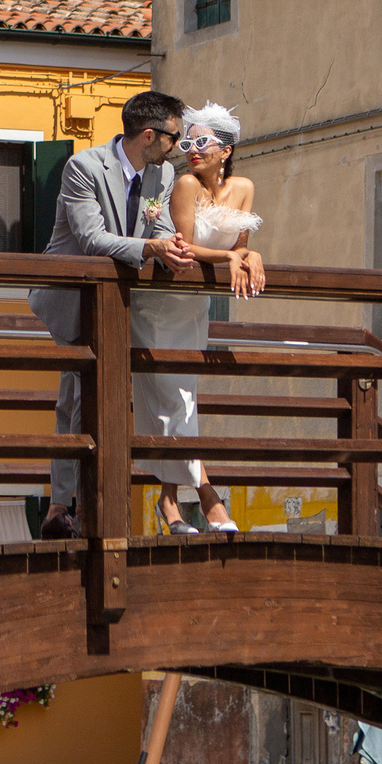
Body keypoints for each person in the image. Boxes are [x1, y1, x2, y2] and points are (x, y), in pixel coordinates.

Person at [32, 90, 189, 540]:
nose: (177, 147)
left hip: (115, 303)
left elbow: (159, 226)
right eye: (174, 137)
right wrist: (152, 247)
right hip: (70, 298)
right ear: (149, 135)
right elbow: (92, 238)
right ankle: (70, 506)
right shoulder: (83, 166)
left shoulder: (161, 174)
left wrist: (170, 248)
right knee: (78, 398)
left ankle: (65, 508)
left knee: (82, 399)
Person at [140, 102, 267, 533]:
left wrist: (251, 255)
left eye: (202, 143)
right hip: (161, 305)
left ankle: (168, 501)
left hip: (194, 307)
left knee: (181, 400)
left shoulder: (244, 188)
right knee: (173, 399)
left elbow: (241, 244)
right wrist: (231, 256)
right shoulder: (185, 184)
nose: (192, 151)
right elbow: (187, 247)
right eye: (187, 144)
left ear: (225, 150)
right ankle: (209, 497)